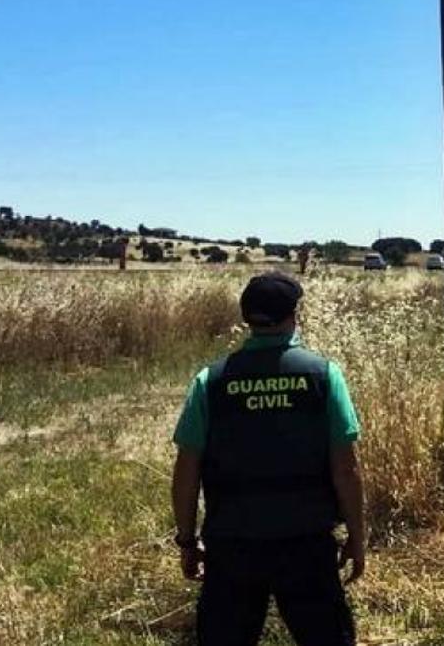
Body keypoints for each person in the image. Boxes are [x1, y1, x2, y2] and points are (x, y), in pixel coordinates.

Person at [171, 271, 364, 646]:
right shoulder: (324, 376)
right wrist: (357, 536)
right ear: (294, 315)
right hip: (306, 542)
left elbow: (186, 471)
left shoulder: (210, 381)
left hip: (232, 544)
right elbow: (346, 468)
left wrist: (187, 541)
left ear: (247, 319)